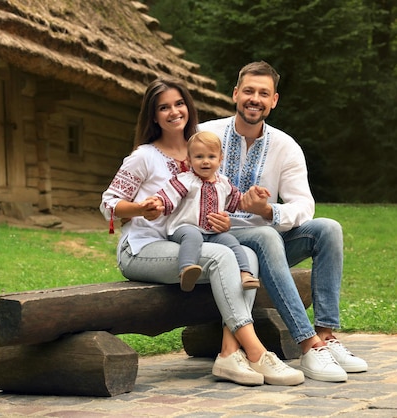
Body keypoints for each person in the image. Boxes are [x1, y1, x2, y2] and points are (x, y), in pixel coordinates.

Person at [100, 76, 304, 386]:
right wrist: (140, 208)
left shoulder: (201, 150)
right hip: (142, 248)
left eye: (179, 104)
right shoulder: (144, 156)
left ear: (188, 107)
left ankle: (228, 353)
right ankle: (256, 352)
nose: (174, 112)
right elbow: (108, 203)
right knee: (223, 256)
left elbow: (218, 198)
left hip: (190, 243)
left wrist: (223, 219)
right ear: (153, 116)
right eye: (164, 107)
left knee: (246, 254)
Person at [198, 61, 368, 382]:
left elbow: (304, 206)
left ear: (274, 100)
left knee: (327, 229)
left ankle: (327, 336)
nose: (255, 98)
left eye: (264, 93)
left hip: (267, 244)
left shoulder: (285, 146)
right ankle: (308, 345)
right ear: (235, 94)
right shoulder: (205, 135)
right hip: (215, 243)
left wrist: (269, 212)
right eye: (248, 91)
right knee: (266, 237)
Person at [149, 131, 266, 291]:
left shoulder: (223, 183)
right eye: (199, 157)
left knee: (231, 241)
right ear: (189, 160)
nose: (205, 161)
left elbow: (238, 201)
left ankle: (245, 274)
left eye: (211, 157)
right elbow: (168, 196)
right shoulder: (185, 180)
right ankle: (186, 270)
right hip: (183, 228)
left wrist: (253, 197)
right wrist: (158, 202)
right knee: (193, 236)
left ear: (220, 159)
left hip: (212, 232)